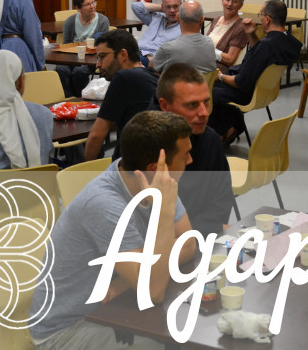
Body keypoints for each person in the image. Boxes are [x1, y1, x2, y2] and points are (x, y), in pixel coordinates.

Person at [29, 110, 196, 349]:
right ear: (155, 168)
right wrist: (164, 213)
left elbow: (188, 244)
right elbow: (152, 292)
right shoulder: (105, 204)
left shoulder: (155, 181)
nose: (190, 161)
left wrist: (125, 282)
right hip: (68, 329)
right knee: (170, 342)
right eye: (185, 155)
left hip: (116, 306)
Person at [157, 63, 234, 234]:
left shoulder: (211, 140)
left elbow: (222, 204)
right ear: (164, 106)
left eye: (206, 102)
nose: (204, 112)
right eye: (192, 105)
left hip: (199, 237)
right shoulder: (142, 144)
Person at [208, 0, 302, 139]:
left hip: (246, 92)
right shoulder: (288, 41)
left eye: (261, 15)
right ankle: (232, 127)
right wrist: (251, 34)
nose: (260, 19)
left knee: (207, 91)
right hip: (264, 90)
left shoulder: (266, 45)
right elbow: (262, 57)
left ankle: (220, 135)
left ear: (267, 19)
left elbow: (240, 83)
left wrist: (220, 76)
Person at [84, 29, 158, 161]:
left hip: (129, 165)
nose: (98, 64)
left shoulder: (123, 78)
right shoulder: (150, 75)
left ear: (123, 54)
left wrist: (86, 171)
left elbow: (96, 136)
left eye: (102, 56)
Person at [57, 0, 110, 97]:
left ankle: (80, 97)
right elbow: (66, 44)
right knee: (60, 69)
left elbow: (104, 46)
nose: (92, 6)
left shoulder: (103, 21)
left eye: (93, 2)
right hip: (72, 57)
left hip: (92, 59)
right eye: (88, 4)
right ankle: (68, 97)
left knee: (79, 71)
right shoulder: (70, 21)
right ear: (78, 8)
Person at [150, 0, 216, 74]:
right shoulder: (210, 43)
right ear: (202, 20)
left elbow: (152, 66)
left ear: (178, 18)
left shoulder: (166, 48)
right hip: (205, 81)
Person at [206, 0, 252, 73]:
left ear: (240, 5)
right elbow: (205, 43)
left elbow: (230, 60)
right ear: (222, 1)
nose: (230, 4)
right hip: (205, 65)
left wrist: (208, 50)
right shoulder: (216, 20)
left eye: (235, 1)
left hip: (217, 71)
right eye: (227, 0)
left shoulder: (240, 27)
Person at [132, 0, 182, 66]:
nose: (172, 10)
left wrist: (167, 9)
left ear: (180, 5)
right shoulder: (157, 18)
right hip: (136, 52)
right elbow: (135, 6)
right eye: (168, 7)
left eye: (175, 6)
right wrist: (163, 9)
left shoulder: (184, 27)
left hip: (151, 61)